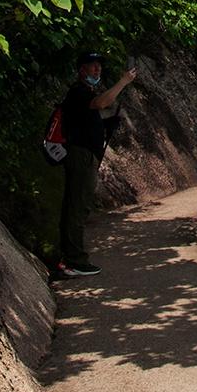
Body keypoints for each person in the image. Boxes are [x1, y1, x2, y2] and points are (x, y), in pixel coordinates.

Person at [56, 51, 137, 277]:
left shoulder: (84, 92)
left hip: (85, 154)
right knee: (77, 206)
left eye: (99, 67)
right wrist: (123, 81)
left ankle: (71, 257)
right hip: (80, 155)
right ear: (81, 69)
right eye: (92, 66)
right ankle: (74, 261)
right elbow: (102, 102)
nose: (97, 70)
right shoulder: (79, 92)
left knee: (78, 204)